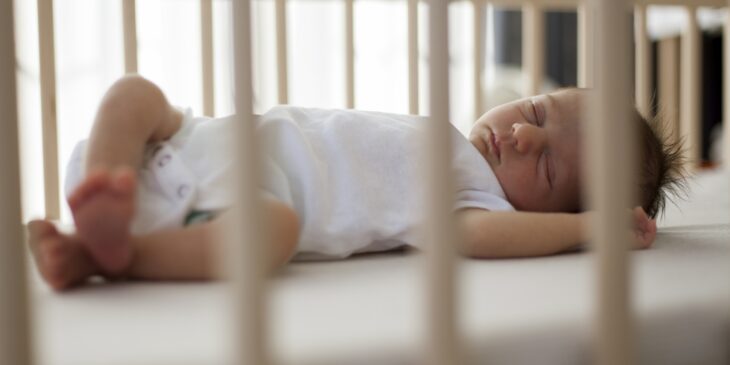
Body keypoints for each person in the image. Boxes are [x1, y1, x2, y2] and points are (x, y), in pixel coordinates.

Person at [26, 75, 685, 291]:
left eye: (545, 166)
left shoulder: (474, 197)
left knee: (274, 233)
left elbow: (477, 237)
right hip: (189, 142)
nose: (521, 136)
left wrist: (589, 229)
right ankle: (105, 187)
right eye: (537, 112)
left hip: (225, 210)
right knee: (134, 93)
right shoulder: (450, 139)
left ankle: (111, 251)